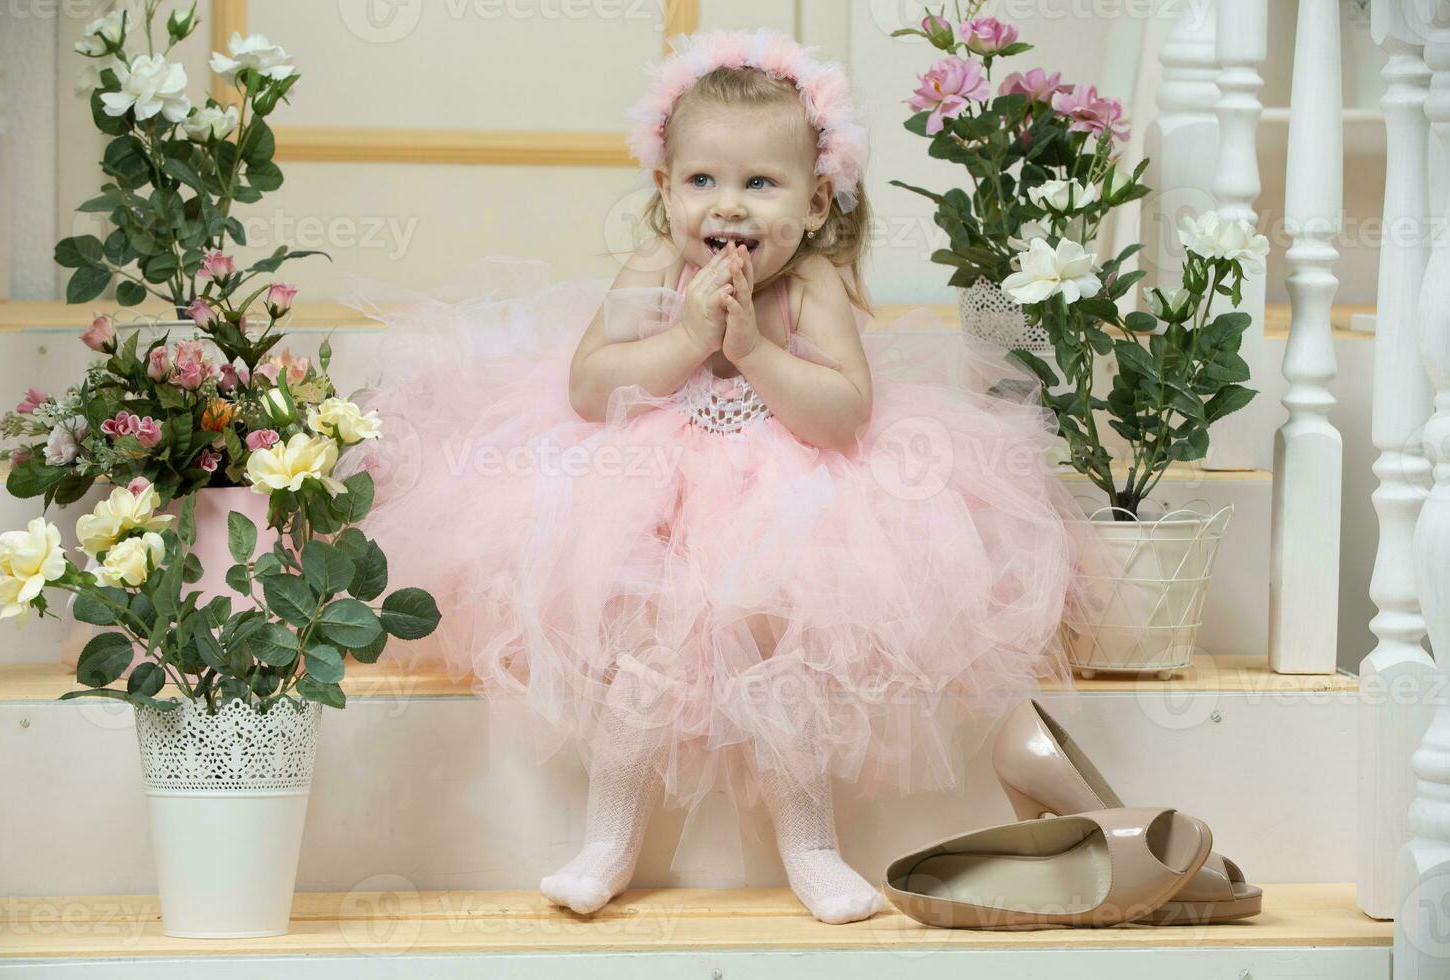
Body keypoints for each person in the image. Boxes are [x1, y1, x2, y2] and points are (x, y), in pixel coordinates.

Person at [342, 28, 1092, 925]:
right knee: (646, 657)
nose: (727, 207)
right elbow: (590, 387)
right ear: (664, 189)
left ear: (815, 204)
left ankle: (810, 845)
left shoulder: (809, 287)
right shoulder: (659, 267)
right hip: (652, 485)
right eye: (702, 180)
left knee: (785, 656)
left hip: (796, 492)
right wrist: (690, 338)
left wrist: (753, 350)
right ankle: (607, 841)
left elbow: (843, 412)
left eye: (760, 184)